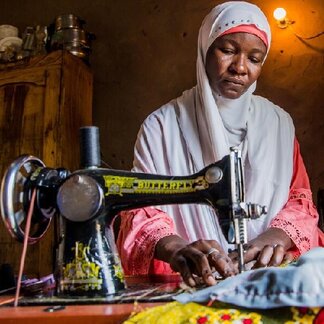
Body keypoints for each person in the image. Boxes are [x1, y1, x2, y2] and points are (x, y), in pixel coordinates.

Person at [116, 1, 324, 287]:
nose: (240, 67)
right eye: (227, 51)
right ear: (205, 47)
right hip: (189, 281)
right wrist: (176, 248)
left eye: (255, 58)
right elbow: (141, 209)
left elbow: (299, 202)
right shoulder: (161, 126)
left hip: (266, 277)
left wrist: (273, 238)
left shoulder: (278, 124)